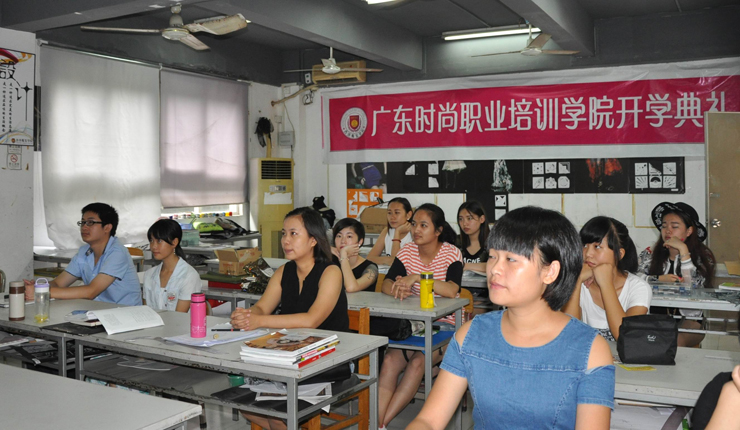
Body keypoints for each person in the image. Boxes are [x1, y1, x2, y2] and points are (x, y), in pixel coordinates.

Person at [407, 206, 614, 430]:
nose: (494, 269)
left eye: (511, 259)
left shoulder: (590, 350)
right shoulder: (471, 334)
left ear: (550, 272)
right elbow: (428, 421)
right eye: (493, 256)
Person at [230, 207, 347, 430]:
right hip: (288, 354)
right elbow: (263, 308)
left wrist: (259, 321)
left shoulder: (331, 271)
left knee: (275, 415)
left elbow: (311, 320)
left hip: (326, 358)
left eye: (294, 234)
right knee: (240, 401)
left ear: (313, 240)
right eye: (284, 233)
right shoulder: (284, 271)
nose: (286, 240)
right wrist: (247, 316)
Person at [377, 203, 463, 428]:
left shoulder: (451, 253)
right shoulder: (406, 252)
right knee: (389, 361)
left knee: (417, 363)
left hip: (445, 326)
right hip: (414, 325)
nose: (416, 230)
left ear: (438, 230)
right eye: (414, 224)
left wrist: (417, 277)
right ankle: (378, 424)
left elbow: (453, 289)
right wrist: (396, 288)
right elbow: (386, 282)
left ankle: (381, 424)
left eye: (424, 225)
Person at [25, 202, 141, 305]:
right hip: (97, 313)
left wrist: (43, 292)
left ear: (107, 228)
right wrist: (38, 287)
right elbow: (58, 283)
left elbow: (91, 291)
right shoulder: (84, 252)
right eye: (83, 222)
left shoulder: (117, 253)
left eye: (90, 222)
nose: (84, 227)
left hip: (124, 315)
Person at [637, 201, 715, 347]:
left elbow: (692, 287)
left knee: (673, 343)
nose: (668, 231)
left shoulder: (703, 257)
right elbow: (634, 278)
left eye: (675, 226)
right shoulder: (650, 254)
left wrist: (684, 252)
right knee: (642, 341)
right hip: (655, 318)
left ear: (689, 231)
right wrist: (657, 279)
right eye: (664, 226)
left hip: (689, 319)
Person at [563, 216, 651, 341]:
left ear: (619, 254)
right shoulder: (579, 283)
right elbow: (567, 334)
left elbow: (625, 338)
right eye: (584, 245)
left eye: (597, 246)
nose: (588, 254)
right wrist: (576, 281)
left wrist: (605, 283)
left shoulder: (638, 288)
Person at [142, 219, 201, 312]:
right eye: (151, 240)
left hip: (179, 325)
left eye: (159, 241)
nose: (153, 246)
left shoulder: (189, 276)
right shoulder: (149, 275)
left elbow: (178, 316)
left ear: (174, 242)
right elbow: (147, 312)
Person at [331, 218, 379, 292]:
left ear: (360, 241)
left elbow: (351, 287)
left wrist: (344, 255)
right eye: (339, 236)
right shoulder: (329, 261)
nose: (343, 241)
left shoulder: (370, 268)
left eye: (349, 236)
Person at [366, 197, 413, 266]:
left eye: (397, 213)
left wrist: (397, 233)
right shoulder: (386, 231)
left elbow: (397, 264)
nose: (392, 217)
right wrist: (388, 259)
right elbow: (370, 258)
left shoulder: (415, 233)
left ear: (408, 215)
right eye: (389, 213)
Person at [456, 200, 490, 273]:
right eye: (461, 219)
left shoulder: (493, 242)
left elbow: (494, 265)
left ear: (482, 219)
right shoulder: (456, 242)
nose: (465, 223)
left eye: (469, 218)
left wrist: (465, 265)